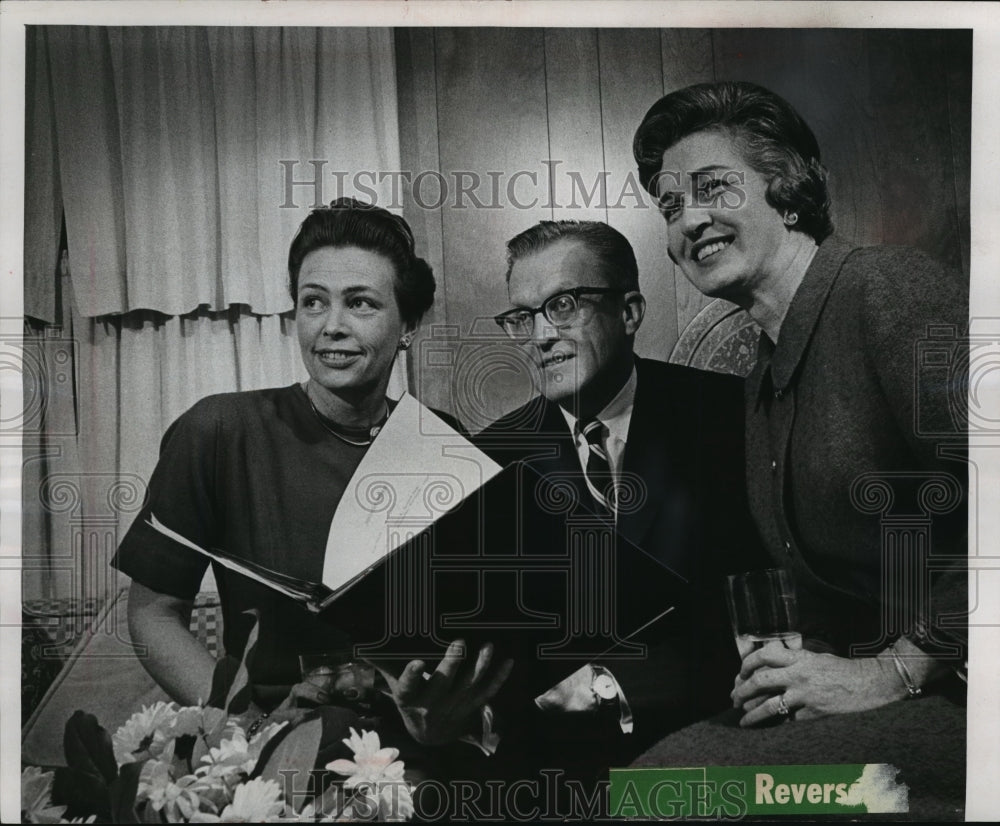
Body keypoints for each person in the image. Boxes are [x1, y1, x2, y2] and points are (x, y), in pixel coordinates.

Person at [630, 81, 968, 813]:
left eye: (714, 187)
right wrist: (802, 667)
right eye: (669, 204)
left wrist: (896, 671)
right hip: (883, 691)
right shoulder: (763, 373)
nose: (690, 218)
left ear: (787, 192)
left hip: (966, 696)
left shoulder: (887, 290)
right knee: (654, 785)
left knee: (671, 795)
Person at [113, 198, 511, 769]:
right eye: (313, 301)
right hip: (271, 751)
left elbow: (473, 627)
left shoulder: (443, 441)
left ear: (409, 324)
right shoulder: (219, 430)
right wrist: (241, 729)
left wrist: (450, 712)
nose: (331, 326)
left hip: (419, 751)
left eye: (361, 303)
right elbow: (152, 614)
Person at [476, 220, 766, 781]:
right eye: (522, 317)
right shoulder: (492, 456)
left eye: (562, 306)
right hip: (555, 774)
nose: (540, 336)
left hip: (722, 749)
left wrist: (614, 685)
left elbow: (769, 603)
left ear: (629, 312)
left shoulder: (731, 417)